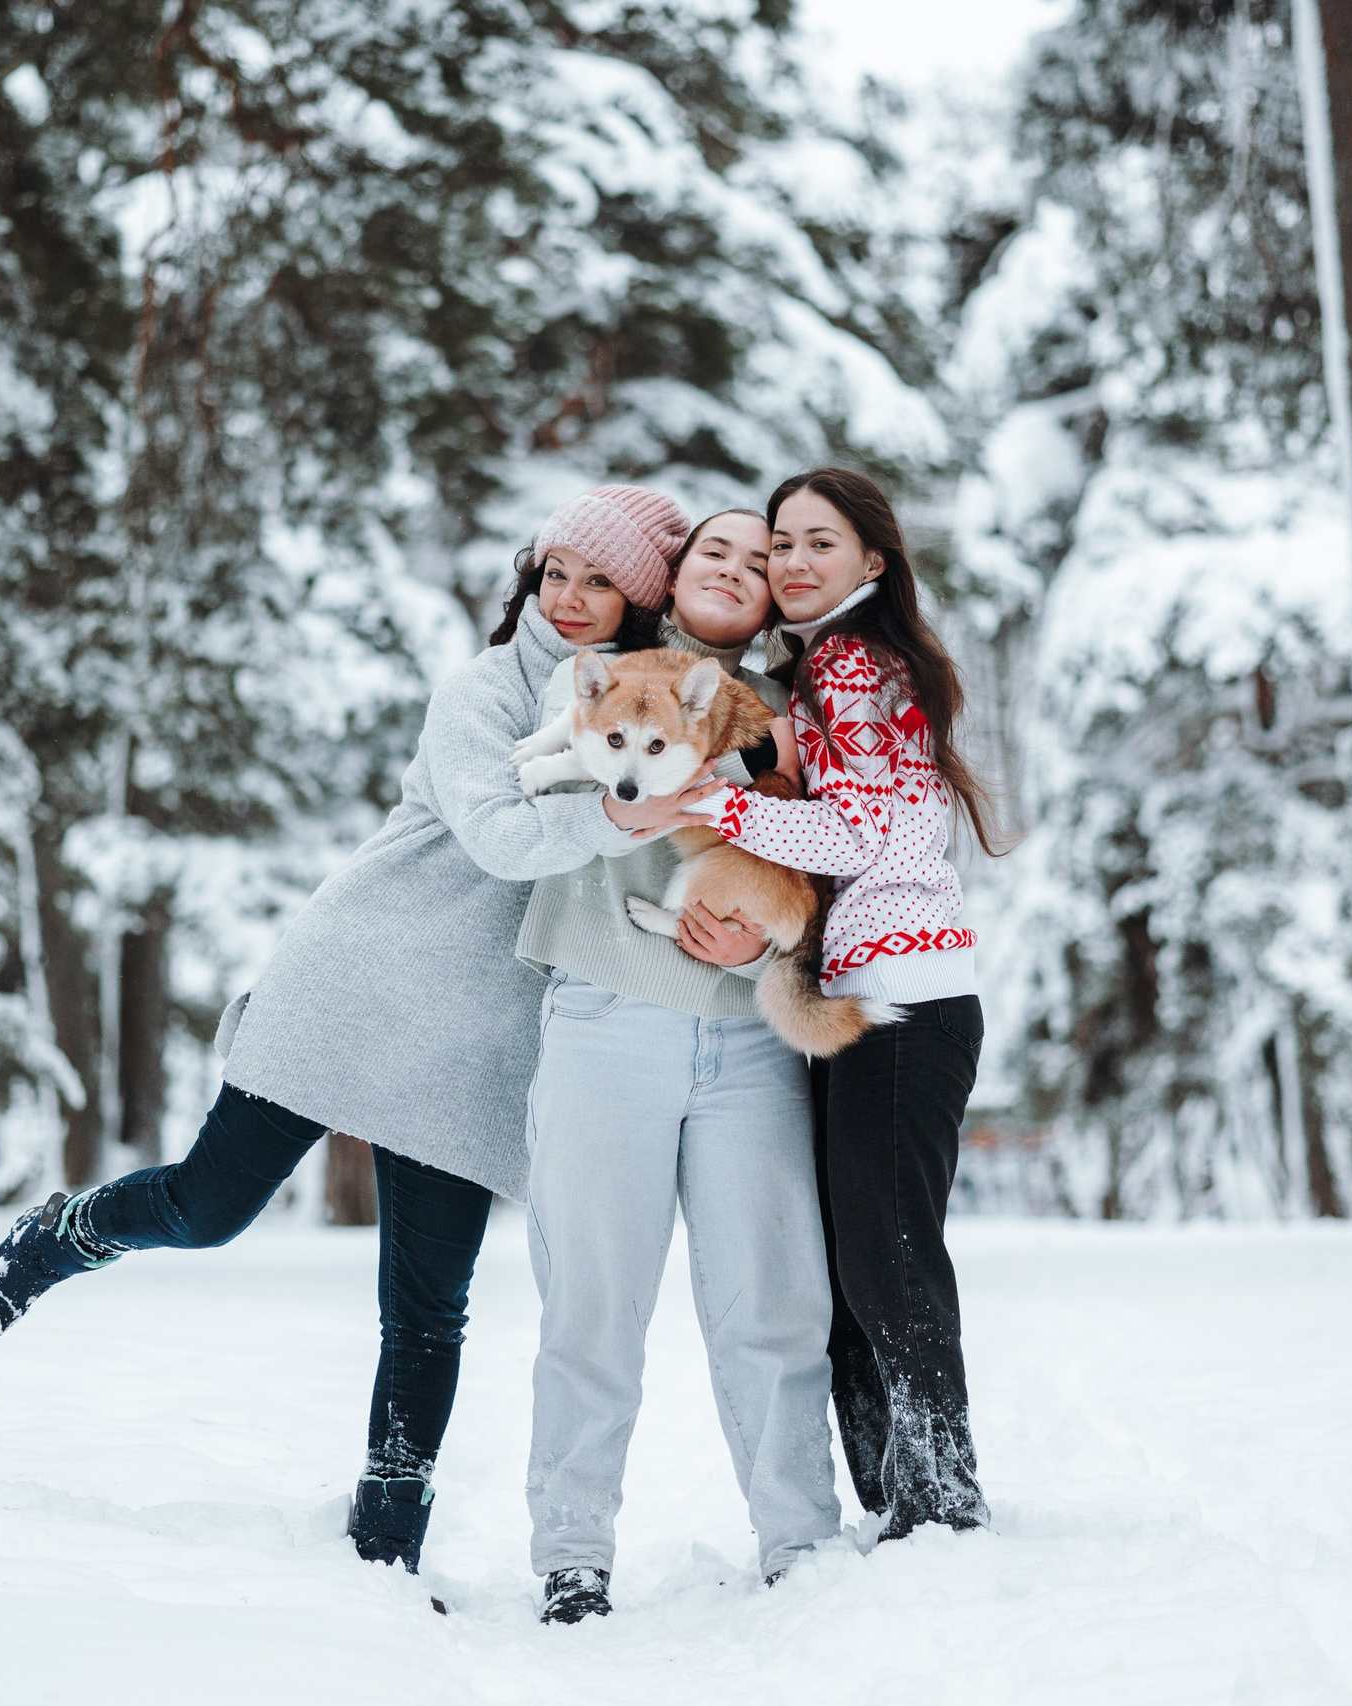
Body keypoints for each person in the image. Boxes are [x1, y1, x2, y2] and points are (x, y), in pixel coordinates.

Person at [0, 485, 706, 1577]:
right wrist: (632, 807)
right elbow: (499, 837)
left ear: (639, 601)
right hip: (359, 978)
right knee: (206, 1210)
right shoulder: (483, 692)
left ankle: (383, 1547)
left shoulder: (649, 702)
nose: (573, 598)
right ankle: (57, 1236)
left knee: (426, 1307)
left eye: (602, 581)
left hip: (477, 1038)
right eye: (556, 572)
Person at [510, 510, 839, 1626]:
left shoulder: (790, 710)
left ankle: (801, 1540)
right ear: (672, 572)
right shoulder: (595, 678)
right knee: (592, 1304)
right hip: (608, 1019)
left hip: (749, 1035)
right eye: (716, 552)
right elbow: (525, 812)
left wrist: (769, 933)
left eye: (762, 561)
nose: (740, 572)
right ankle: (571, 1554)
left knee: (773, 1301)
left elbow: (844, 852)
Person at [675, 467, 1002, 1541]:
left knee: (886, 1255)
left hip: (901, 1005)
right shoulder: (826, 669)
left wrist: (712, 804)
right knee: (863, 1255)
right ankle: (898, 1498)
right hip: (869, 997)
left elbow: (860, 835)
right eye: (781, 543)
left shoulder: (856, 660)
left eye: (822, 541)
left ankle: (940, 1499)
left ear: (873, 560)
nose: (794, 562)